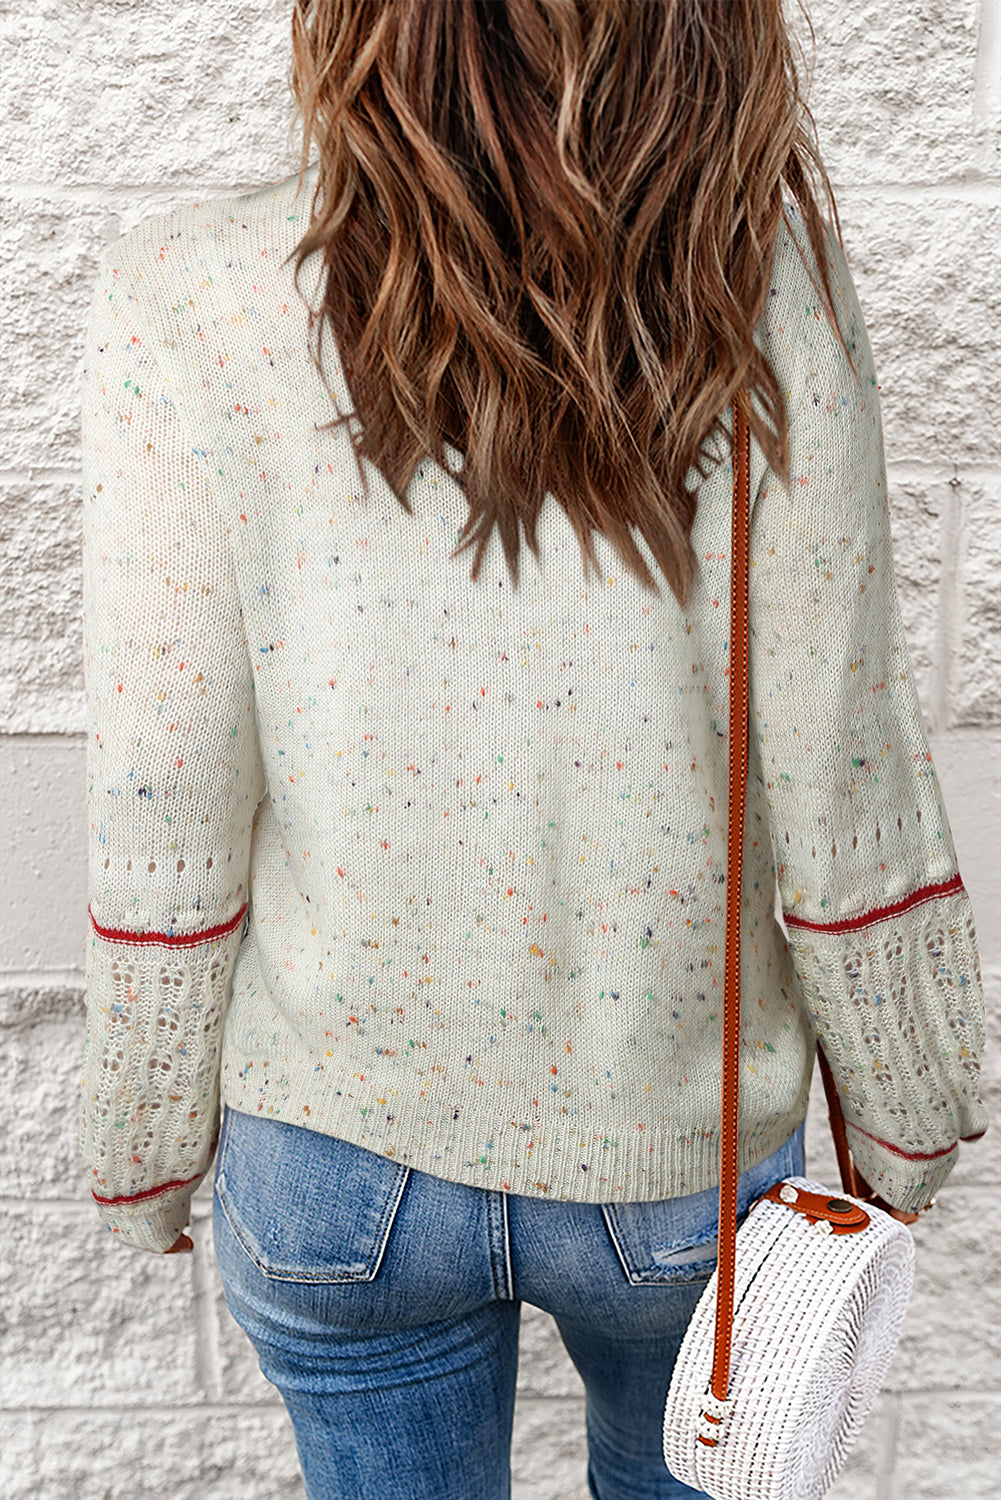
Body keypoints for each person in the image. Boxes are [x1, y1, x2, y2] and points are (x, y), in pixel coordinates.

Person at [76, 2, 989, 1497]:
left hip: (331, 1157)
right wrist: (905, 1108)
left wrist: (144, 1131)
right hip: (679, 1159)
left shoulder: (179, 291)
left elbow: (164, 781)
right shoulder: (767, 290)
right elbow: (842, 751)